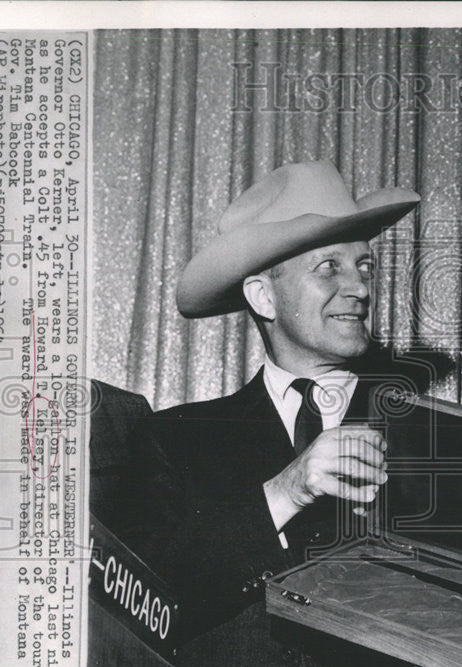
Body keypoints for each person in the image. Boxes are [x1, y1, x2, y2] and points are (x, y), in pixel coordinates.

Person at [123, 161, 423, 642]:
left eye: (363, 266)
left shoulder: (432, 433)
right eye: (329, 267)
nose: (360, 288)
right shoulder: (174, 439)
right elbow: (146, 605)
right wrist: (286, 491)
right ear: (263, 298)